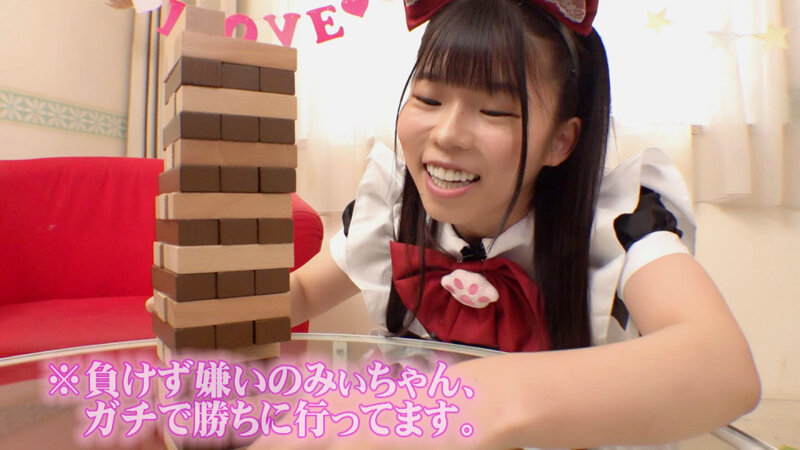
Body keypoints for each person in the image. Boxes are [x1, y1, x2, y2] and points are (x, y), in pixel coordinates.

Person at [143, 0, 758, 448]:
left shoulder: (615, 220)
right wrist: (204, 314)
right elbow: (303, 291)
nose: (446, 135)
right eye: (429, 99)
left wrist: (475, 402)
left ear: (561, 141)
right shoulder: (392, 208)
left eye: (495, 110)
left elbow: (722, 366)